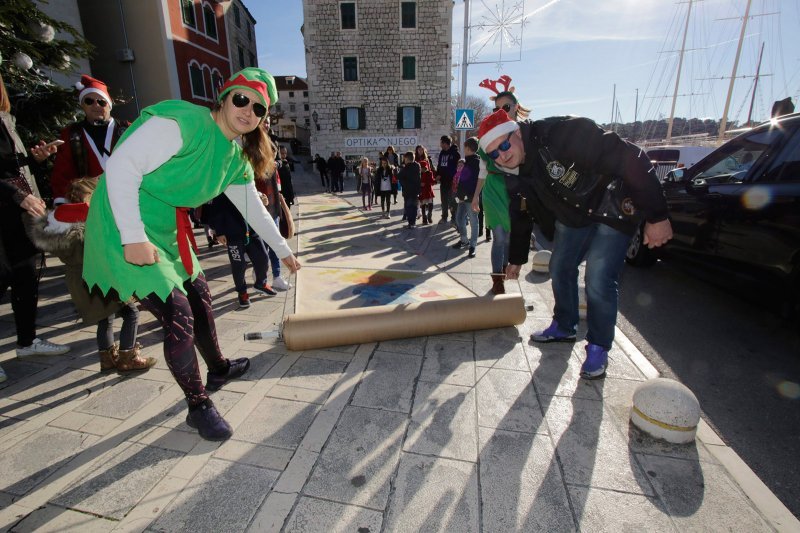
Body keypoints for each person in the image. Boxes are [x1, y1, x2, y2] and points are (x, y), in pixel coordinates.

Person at [82, 67, 301, 440]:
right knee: (179, 313)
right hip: (125, 223)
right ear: (225, 97)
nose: (248, 111)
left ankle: (216, 367)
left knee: (200, 295)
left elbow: (254, 208)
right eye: (242, 99)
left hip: (166, 229)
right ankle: (198, 405)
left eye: (259, 108)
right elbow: (121, 165)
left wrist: (284, 252)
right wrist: (133, 237)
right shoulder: (184, 122)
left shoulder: (235, 156)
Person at [477, 109, 672, 380]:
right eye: (495, 154)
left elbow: (629, 156)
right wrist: (517, 259)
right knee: (560, 266)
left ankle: (598, 346)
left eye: (505, 145)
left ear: (517, 133)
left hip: (613, 207)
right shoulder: (513, 172)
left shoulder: (559, 133)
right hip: (573, 215)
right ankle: (564, 325)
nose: (503, 155)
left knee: (598, 277)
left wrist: (657, 215)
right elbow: (521, 214)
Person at [29, 177, 153, 372]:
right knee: (131, 312)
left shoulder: (55, 220)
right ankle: (128, 356)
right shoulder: (93, 214)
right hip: (101, 274)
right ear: (87, 196)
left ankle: (106, 359)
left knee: (104, 318)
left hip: (76, 279)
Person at [0, 73, 70, 379]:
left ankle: (27, 342)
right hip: (6, 211)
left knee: (26, 276)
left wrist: (33, 159)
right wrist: (18, 195)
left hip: (18, 215)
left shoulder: (5, 119)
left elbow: (7, 167)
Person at [472, 75, 532, 294]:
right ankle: (498, 278)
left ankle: (509, 265)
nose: (502, 111)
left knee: (511, 236)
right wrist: (475, 196)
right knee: (499, 237)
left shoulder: (528, 134)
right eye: (496, 108)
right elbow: (482, 170)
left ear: (516, 106)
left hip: (516, 191)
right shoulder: (490, 137)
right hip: (494, 190)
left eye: (506, 106)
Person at [50, 75, 128, 205]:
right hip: (90, 204)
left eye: (101, 102)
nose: (95, 105)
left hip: (129, 198)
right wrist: (62, 203)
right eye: (89, 101)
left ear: (109, 105)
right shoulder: (70, 134)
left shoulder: (127, 129)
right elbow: (62, 173)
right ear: (82, 105)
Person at [452, 138, 480, 257]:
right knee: (459, 219)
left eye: (465, 148)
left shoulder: (476, 162)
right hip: (462, 198)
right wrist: (459, 195)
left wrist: (469, 196)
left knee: (474, 222)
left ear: (468, 148)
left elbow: (475, 182)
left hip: (471, 198)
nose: (464, 150)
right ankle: (464, 240)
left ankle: (472, 246)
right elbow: (463, 180)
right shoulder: (466, 161)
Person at [435, 135, 460, 224]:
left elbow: (459, 168)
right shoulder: (442, 153)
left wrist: (455, 178)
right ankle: (444, 217)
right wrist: (438, 174)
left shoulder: (455, 153)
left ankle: (454, 218)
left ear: (445, 143)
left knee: (452, 201)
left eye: (441, 142)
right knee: (444, 201)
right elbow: (439, 165)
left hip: (452, 182)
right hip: (443, 181)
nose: (440, 144)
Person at [397, 151, 421, 229]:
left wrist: (395, 171)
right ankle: (413, 223)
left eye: (405, 159)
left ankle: (411, 223)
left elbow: (399, 176)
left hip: (408, 190)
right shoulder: (417, 166)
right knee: (414, 207)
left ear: (407, 159)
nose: (404, 160)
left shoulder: (406, 168)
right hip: (416, 190)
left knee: (408, 207)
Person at [418, 159, 436, 225]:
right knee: (423, 205)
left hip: (428, 191)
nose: (423, 169)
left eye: (424, 168)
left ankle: (429, 215)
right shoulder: (418, 174)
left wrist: (435, 181)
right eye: (422, 168)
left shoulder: (429, 173)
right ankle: (424, 218)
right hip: (422, 192)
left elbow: (431, 181)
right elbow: (416, 182)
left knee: (430, 204)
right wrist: (420, 184)